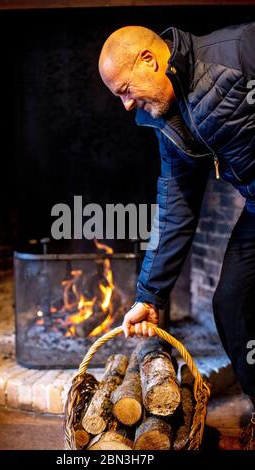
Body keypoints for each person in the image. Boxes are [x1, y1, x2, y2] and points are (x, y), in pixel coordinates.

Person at [98, 23, 255, 449]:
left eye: (125, 90)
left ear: (150, 60)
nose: (127, 105)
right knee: (231, 303)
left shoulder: (237, 51)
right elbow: (175, 209)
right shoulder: (169, 122)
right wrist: (148, 297)